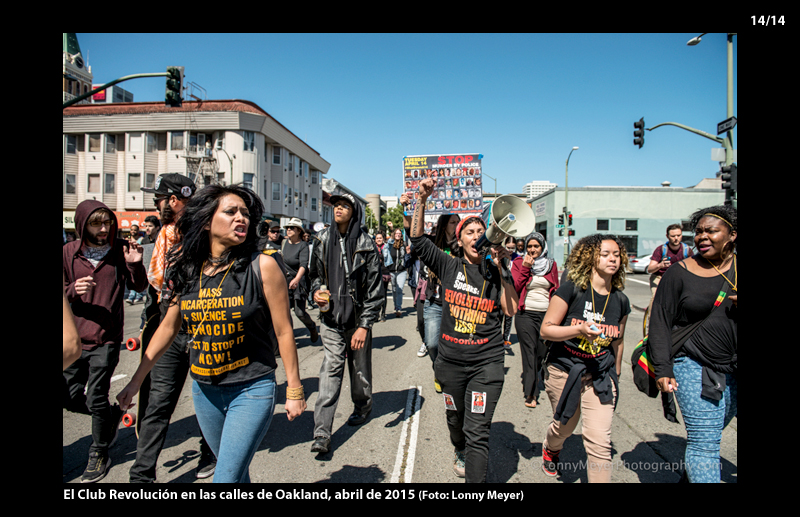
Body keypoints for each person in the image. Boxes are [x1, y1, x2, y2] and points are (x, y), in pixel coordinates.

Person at [118, 184, 305, 483]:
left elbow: (284, 330)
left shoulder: (263, 266)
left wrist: (294, 389)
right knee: (237, 476)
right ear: (206, 221)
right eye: (230, 212)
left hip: (251, 389)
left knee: (224, 479)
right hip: (204, 391)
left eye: (244, 213)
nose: (240, 218)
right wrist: (136, 381)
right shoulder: (188, 269)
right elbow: (168, 327)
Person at [410, 178, 518, 483]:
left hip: (487, 363)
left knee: (478, 431)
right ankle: (458, 447)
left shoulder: (497, 271)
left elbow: (510, 309)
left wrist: (503, 270)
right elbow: (418, 242)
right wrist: (421, 199)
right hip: (451, 363)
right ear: (459, 240)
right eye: (469, 232)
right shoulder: (448, 265)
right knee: (456, 420)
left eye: (480, 231)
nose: (476, 236)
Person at [129, 173, 217, 482]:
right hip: (170, 326)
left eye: (159, 199)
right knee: (158, 403)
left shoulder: (207, 231)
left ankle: (210, 452)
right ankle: (141, 474)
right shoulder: (165, 233)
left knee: (207, 397)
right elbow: (155, 284)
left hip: (202, 328)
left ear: (174, 200)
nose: (157, 205)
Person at [648, 205, 737, 483]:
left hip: (733, 367)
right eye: (698, 231)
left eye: (711, 230)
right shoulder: (679, 272)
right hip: (692, 363)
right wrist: (663, 369)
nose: (702, 236)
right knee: (704, 445)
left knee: (712, 430)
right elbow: (660, 322)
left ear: (732, 235)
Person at [63, 200, 147, 482]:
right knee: (69, 396)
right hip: (73, 339)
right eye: (96, 224)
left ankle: (99, 451)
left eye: (107, 223)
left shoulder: (121, 250)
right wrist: (73, 289)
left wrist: (135, 266)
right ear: (82, 225)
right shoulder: (67, 253)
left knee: (96, 395)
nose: (103, 229)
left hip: (107, 340)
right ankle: (110, 417)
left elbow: (139, 287)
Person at [539, 234, 630, 482]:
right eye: (605, 254)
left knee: (600, 443)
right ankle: (551, 447)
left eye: (617, 254)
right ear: (590, 257)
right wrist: (578, 330)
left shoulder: (621, 300)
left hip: (600, 374)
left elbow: (618, 341)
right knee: (566, 426)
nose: (613, 258)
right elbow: (546, 329)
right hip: (564, 370)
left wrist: (616, 374)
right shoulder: (572, 289)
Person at [308, 193, 382, 454]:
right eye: (336, 205)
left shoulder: (366, 243)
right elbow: (314, 275)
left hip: (357, 319)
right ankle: (322, 433)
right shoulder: (322, 238)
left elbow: (375, 290)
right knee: (330, 371)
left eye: (344, 206)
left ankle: (363, 406)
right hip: (331, 320)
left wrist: (364, 326)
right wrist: (316, 291)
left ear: (355, 211)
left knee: (359, 371)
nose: (338, 209)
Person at [511, 232, 559, 408]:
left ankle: (536, 373)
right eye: (529, 246)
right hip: (525, 314)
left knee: (540, 352)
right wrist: (525, 267)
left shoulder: (551, 264)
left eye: (535, 246)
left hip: (547, 315)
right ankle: (530, 393)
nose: (532, 250)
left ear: (542, 247)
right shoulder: (518, 263)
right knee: (529, 352)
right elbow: (515, 286)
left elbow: (556, 288)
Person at [645, 223, 691, 333]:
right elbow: (650, 269)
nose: (676, 238)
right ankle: (650, 330)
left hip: (678, 279)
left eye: (678, 235)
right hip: (660, 277)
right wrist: (660, 265)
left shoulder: (687, 250)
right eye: (673, 236)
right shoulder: (661, 250)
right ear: (667, 236)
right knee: (656, 298)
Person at [281, 218, 318, 342]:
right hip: (285, 281)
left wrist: (296, 279)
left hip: (299, 281)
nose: (289, 230)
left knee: (299, 312)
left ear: (298, 231)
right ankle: (288, 337)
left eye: (292, 228)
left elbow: (303, 265)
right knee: (284, 312)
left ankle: (312, 327)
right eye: (287, 228)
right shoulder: (284, 243)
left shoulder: (303, 245)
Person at [384, 224, 408, 318]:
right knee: (394, 290)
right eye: (396, 233)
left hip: (402, 271)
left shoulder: (404, 244)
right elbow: (389, 240)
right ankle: (396, 304)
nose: (398, 235)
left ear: (401, 235)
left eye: (399, 233)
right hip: (392, 271)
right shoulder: (390, 244)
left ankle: (398, 308)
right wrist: (391, 228)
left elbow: (406, 256)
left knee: (399, 289)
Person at [374, 231, 390, 321]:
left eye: (380, 238)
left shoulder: (386, 247)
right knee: (376, 294)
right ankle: (376, 314)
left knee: (383, 294)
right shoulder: (373, 247)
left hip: (384, 272)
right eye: (377, 238)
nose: (379, 240)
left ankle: (383, 313)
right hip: (375, 273)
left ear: (383, 239)